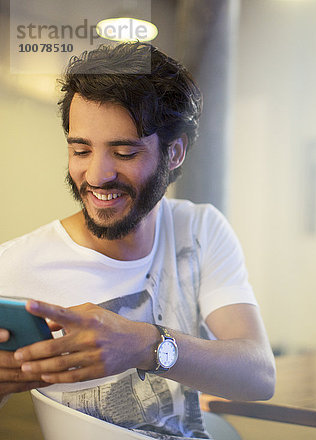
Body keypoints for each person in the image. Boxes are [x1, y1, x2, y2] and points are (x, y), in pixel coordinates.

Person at [0, 42, 275, 439]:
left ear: (174, 152)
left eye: (124, 152)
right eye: (80, 149)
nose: (97, 175)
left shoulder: (199, 230)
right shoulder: (14, 268)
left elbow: (259, 375)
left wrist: (145, 345)